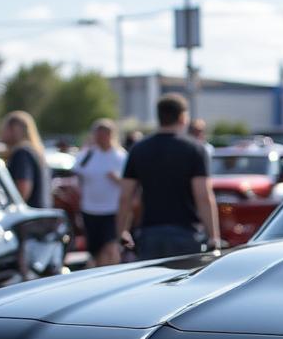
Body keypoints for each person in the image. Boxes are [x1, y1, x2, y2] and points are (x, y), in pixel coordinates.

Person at [117, 93, 219, 260]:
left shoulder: (139, 149)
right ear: (182, 117)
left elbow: (125, 196)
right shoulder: (195, 149)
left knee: (151, 284)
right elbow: (203, 196)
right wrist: (213, 236)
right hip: (186, 233)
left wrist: (121, 231)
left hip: (149, 233)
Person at [75, 118, 126, 267]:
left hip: (111, 210)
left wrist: (116, 179)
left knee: (109, 247)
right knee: (94, 249)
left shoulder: (120, 156)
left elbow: (128, 185)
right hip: (90, 209)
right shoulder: (88, 154)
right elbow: (77, 173)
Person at [1, 110, 49, 208]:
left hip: (30, 218)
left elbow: (23, 190)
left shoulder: (22, 153)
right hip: (39, 216)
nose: (1, 133)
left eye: (4, 129)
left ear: (14, 129)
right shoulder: (33, 151)